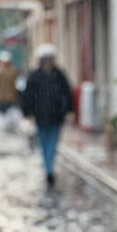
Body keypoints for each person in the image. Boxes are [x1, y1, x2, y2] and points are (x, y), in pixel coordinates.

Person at [21, 44, 74, 187]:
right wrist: (28, 113)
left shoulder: (59, 75)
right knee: (44, 142)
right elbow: (27, 96)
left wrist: (69, 110)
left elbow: (67, 94)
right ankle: (48, 167)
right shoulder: (35, 76)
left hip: (56, 115)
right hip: (41, 115)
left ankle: (50, 168)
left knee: (53, 142)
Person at [0, 52, 21, 120]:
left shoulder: (10, 70)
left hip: (8, 96)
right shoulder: (1, 70)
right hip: (5, 96)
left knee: (7, 111)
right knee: (5, 111)